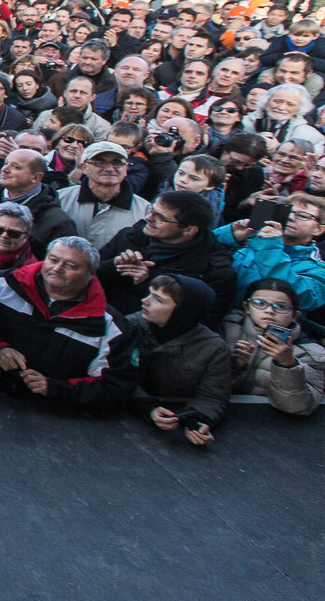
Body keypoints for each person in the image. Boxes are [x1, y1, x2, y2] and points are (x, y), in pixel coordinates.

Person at [0, 236, 135, 412]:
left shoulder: (111, 327)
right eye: (53, 260)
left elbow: (115, 388)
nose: (57, 268)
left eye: (71, 266)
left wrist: (55, 388)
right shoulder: (3, 284)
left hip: (54, 415)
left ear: (90, 274)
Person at [127, 274, 232, 447]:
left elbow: (212, 397)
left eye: (158, 299)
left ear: (183, 311)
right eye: (149, 293)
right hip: (127, 413)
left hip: (175, 416)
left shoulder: (214, 348)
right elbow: (119, 376)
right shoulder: (130, 326)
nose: (145, 301)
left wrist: (197, 421)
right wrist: (147, 407)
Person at [97, 191, 237, 319]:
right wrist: (116, 266)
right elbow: (91, 276)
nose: (148, 217)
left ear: (189, 230)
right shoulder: (129, 236)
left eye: (160, 218)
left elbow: (201, 321)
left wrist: (146, 285)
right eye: (152, 210)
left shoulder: (216, 272)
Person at [222, 279, 324, 416]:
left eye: (281, 307)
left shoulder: (311, 353)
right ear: (247, 307)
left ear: (295, 315)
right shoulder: (225, 330)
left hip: (272, 424)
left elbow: (297, 406)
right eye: (260, 303)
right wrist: (235, 366)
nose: (269, 311)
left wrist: (287, 365)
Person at [213, 192, 325, 314]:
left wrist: (271, 246)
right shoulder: (251, 242)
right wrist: (229, 236)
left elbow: (303, 297)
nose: (291, 217)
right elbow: (201, 253)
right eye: (287, 211)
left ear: (318, 229)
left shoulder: (317, 270)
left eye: (303, 216)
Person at [0, 149, 75, 258]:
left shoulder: (58, 221)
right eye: (6, 163)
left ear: (36, 177)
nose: (4, 169)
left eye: (16, 167)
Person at [57, 142, 149, 250]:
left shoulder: (145, 211)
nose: (110, 168)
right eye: (100, 162)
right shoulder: (61, 199)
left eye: (117, 162)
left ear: (126, 168)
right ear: (85, 168)